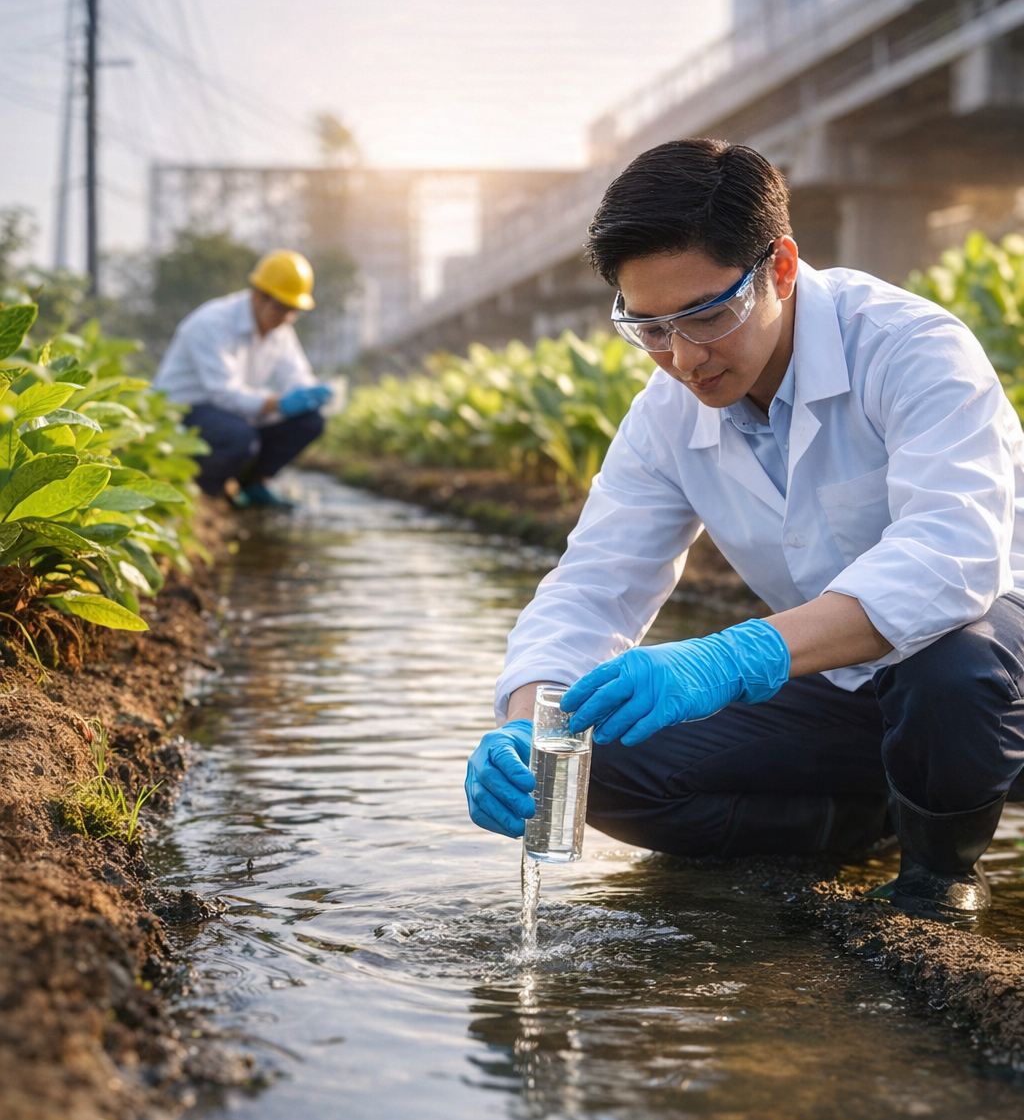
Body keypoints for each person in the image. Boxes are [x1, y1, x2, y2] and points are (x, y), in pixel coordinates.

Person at [465, 138, 1024, 925]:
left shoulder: (911, 349)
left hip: (997, 683)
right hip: (851, 692)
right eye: (651, 329)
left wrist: (739, 655)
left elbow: (954, 560)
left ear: (782, 267)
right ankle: (869, 822)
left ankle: (937, 881)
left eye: (707, 315)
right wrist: (528, 727)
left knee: (949, 665)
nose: (684, 360)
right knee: (595, 759)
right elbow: (594, 587)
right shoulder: (663, 415)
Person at [154, 249, 333, 508]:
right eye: (282, 308)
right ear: (259, 296)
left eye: (294, 310)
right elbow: (224, 393)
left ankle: (253, 482)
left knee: (309, 422)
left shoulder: (280, 329)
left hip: (232, 412)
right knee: (239, 435)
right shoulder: (211, 323)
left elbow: (296, 374)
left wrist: (310, 393)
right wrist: (278, 403)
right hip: (185, 411)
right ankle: (207, 493)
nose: (288, 318)